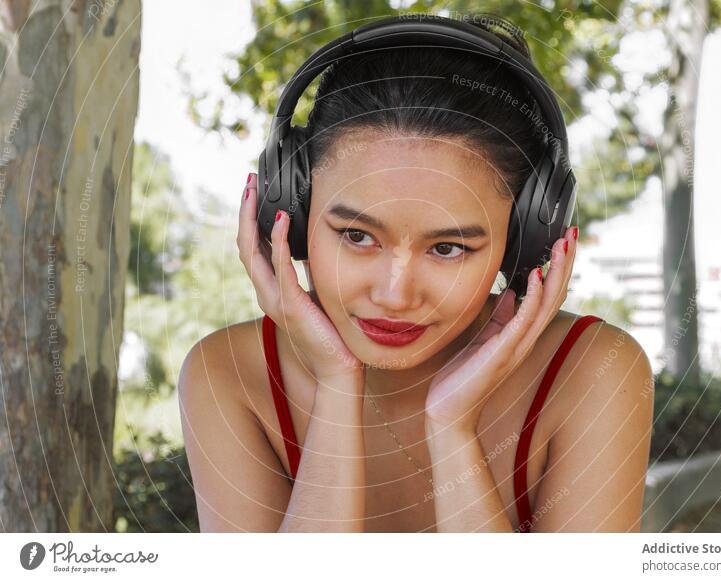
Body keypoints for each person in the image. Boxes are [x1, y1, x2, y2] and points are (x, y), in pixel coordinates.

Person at [178, 14, 654, 533]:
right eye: (357, 236)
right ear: (290, 212)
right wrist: (338, 390)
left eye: (448, 248)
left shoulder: (593, 373)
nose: (395, 294)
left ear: (523, 243)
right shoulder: (228, 375)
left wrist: (452, 429)